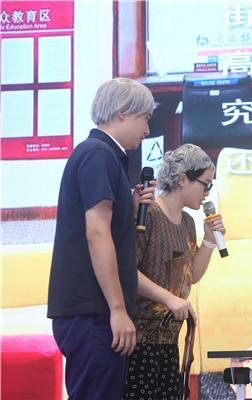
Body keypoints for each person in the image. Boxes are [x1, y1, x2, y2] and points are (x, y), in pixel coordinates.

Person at [47, 77, 156, 399]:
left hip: (92, 312)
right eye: (145, 118)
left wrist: (129, 207)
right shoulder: (99, 155)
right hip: (94, 312)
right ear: (122, 113)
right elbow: (96, 233)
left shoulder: (102, 155)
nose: (147, 130)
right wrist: (118, 309)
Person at [122, 143, 226, 400]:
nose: (207, 192)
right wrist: (169, 299)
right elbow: (126, 272)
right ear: (182, 179)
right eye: (205, 184)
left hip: (170, 342)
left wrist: (209, 241)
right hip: (137, 343)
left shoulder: (188, 223)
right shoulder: (148, 214)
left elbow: (191, 276)